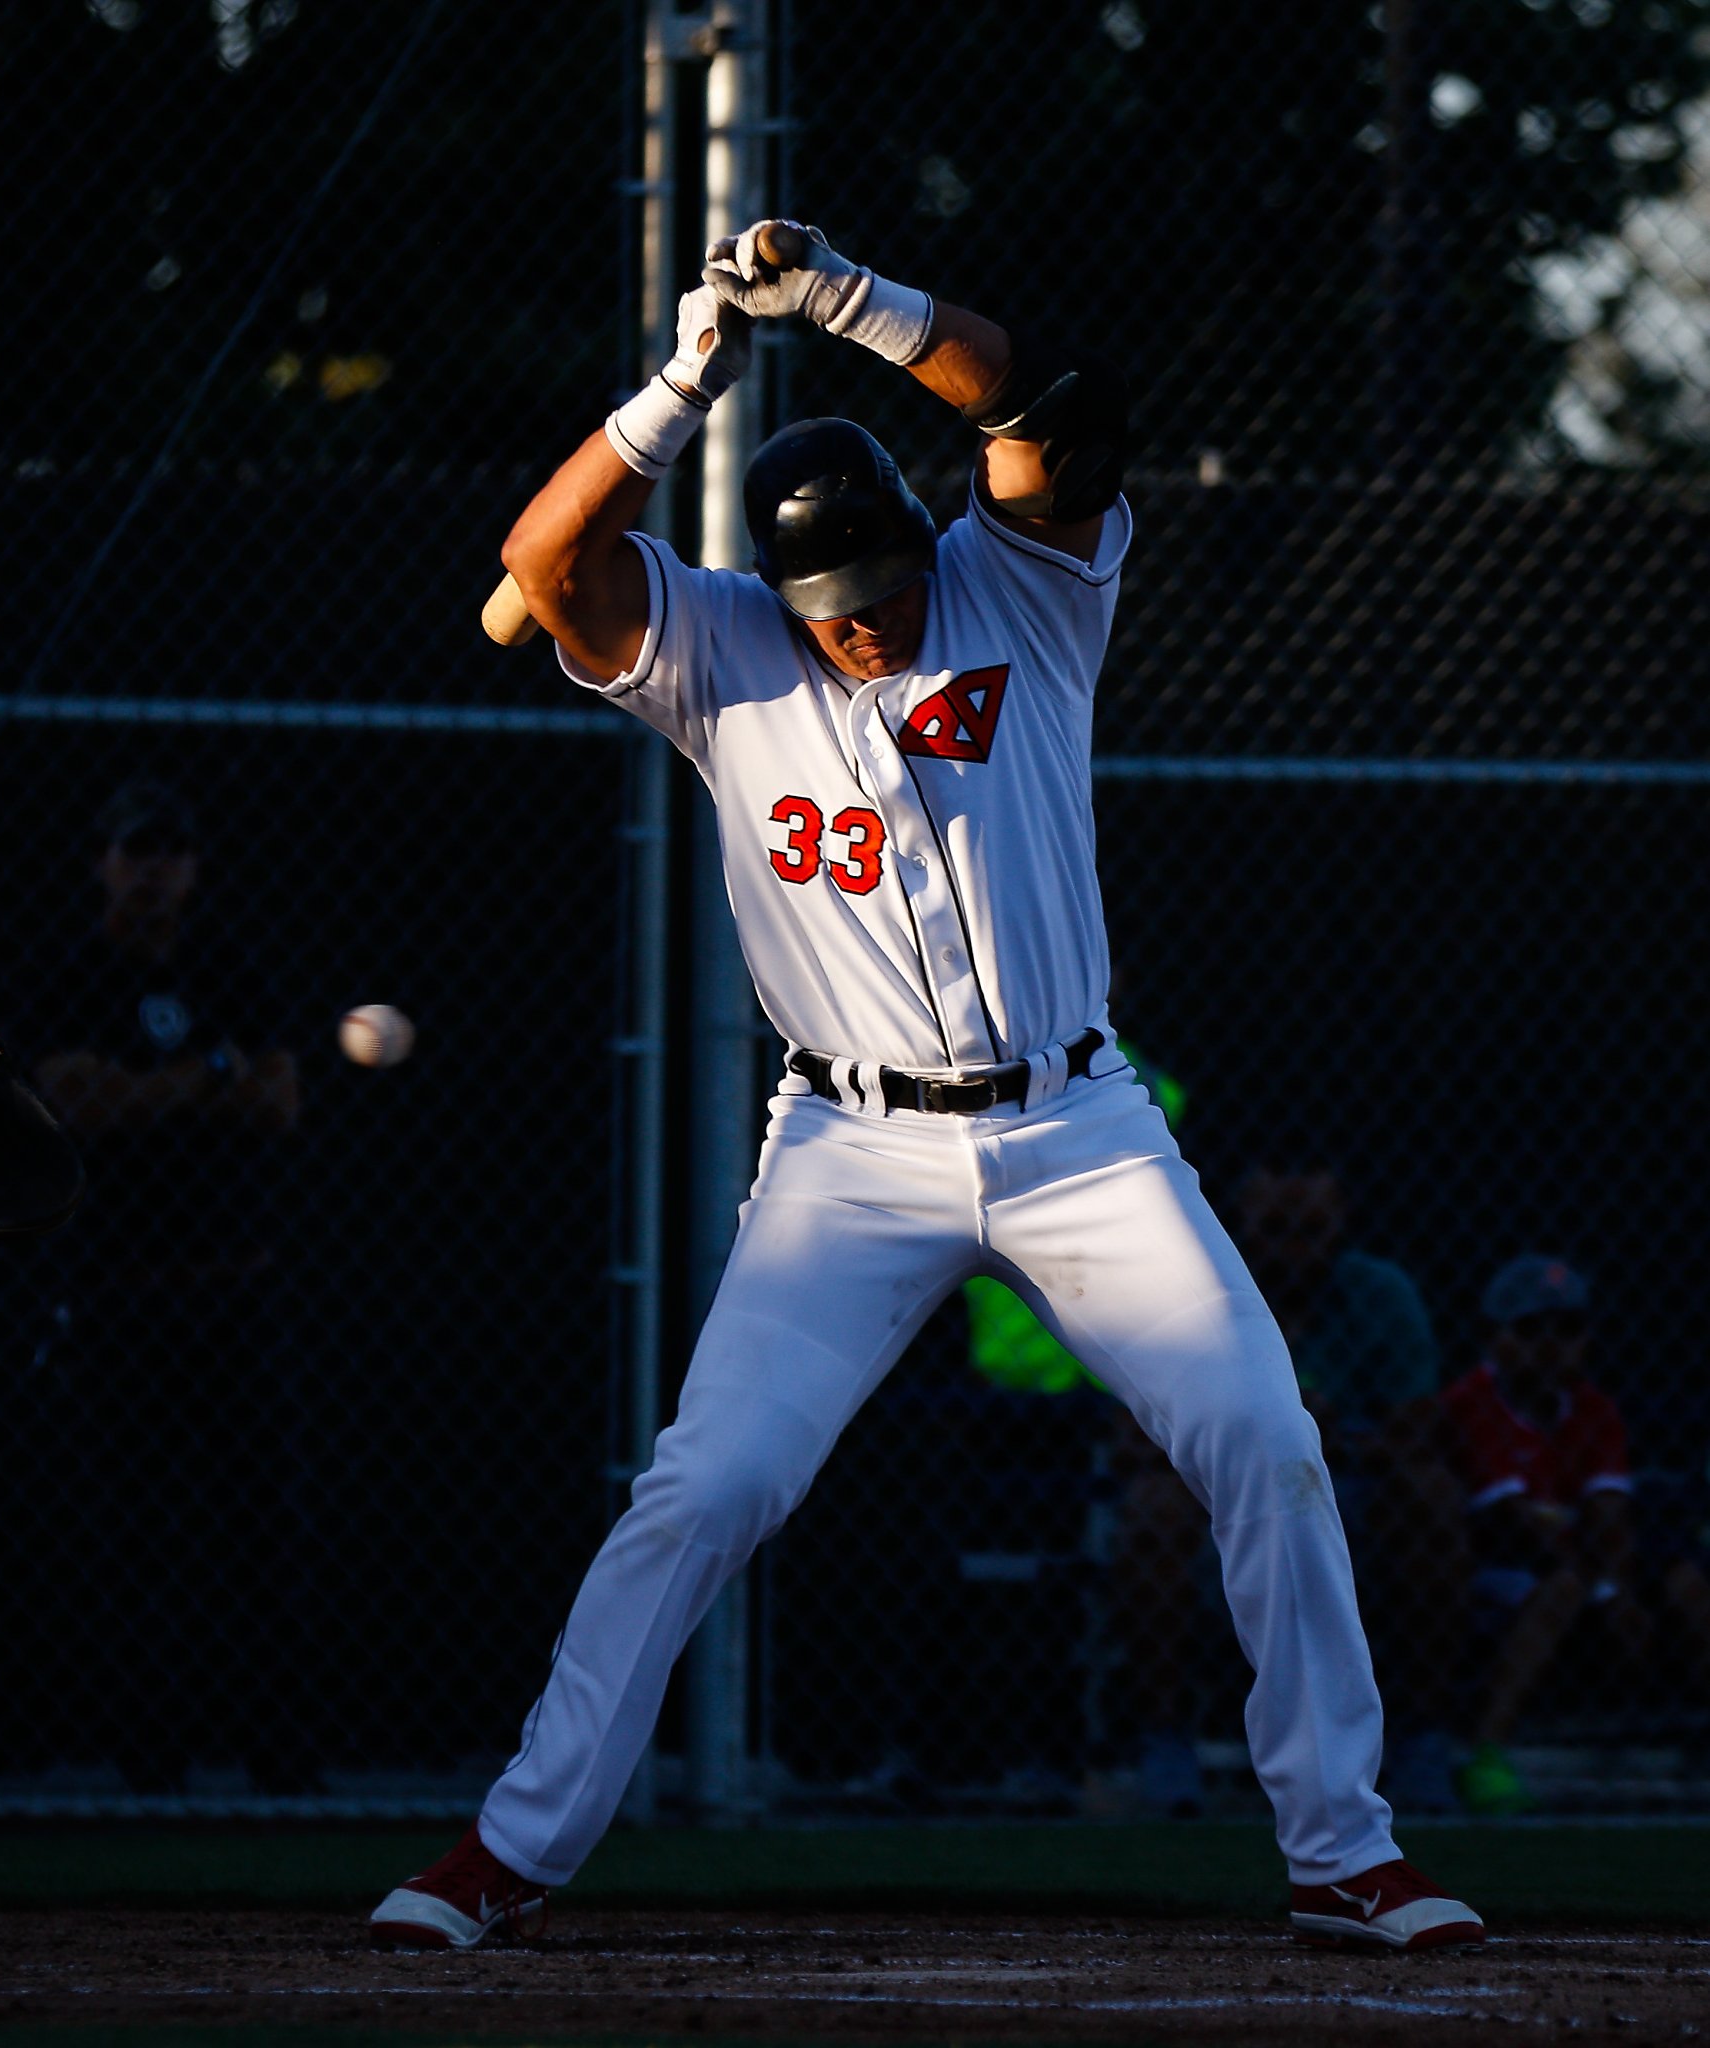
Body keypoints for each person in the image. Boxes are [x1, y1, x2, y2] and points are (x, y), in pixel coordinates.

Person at [370, 220, 1480, 1954]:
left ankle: (1342, 1844)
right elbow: (541, 553)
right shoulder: (719, 643)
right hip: (843, 1152)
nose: (863, 630)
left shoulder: (1012, 582)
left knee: (1262, 1440)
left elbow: (1043, 403)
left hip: (1078, 1128)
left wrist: (836, 301)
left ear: (915, 538)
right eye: (830, 611)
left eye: (878, 591)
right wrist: (680, 385)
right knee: (706, 1483)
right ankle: (508, 1848)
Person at [28, 779, 320, 1796]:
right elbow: (71, 1102)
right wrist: (207, 1078)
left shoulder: (229, 964)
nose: (152, 869)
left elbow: (277, 1098)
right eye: (133, 850)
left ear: (192, 867)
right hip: (122, 1289)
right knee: (135, 1531)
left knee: (263, 1526)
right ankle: (148, 1761)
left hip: (235, 1289)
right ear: (102, 861)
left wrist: (153, 1087)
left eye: (168, 852)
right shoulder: (71, 973)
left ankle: (281, 1758)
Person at [1110, 1162, 1468, 1817]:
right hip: (1214, 1497)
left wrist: (1317, 1432)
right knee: (1149, 1512)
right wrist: (1254, 1426)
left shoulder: (1379, 1293)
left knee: (1433, 1498)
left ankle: (1423, 1740)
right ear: (1240, 1230)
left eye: (1311, 1232)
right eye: (1274, 1231)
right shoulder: (1190, 1290)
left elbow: (1418, 1429)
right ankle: (1165, 1744)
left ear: (1339, 1230)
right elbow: (1133, 1437)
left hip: (1351, 1494)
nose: (1291, 1250)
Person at [1444, 1255, 1710, 1815]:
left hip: (1578, 1568)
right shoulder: (1473, 1401)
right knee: (1563, 1585)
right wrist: (1595, 1566)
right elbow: (1518, 1521)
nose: (1550, 1345)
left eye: (1567, 1329)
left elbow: (1609, 1511)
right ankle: (1485, 1751)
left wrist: (1615, 1589)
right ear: (1496, 1337)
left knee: (1685, 1579)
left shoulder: (1593, 1409)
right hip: (1498, 1570)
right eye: (1530, 1329)